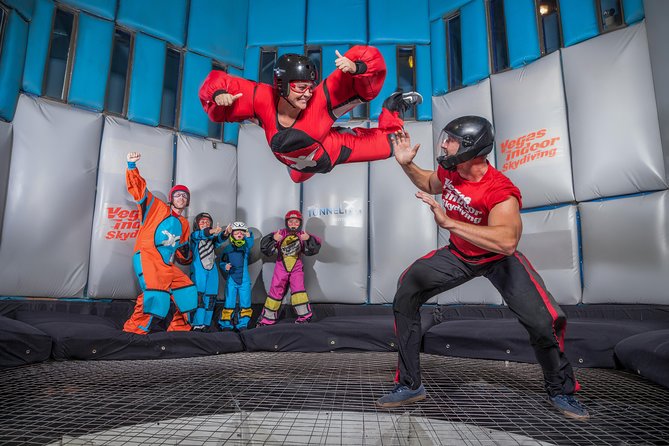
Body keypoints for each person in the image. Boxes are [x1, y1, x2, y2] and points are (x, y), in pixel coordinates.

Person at [375, 117, 589, 421]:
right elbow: (428, 182)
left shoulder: (500, 191)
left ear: (472, 149)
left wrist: (449, 223)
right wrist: (406, 164)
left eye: (450, 140)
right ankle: (410, 385)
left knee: (545, 321)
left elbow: (506, 242)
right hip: (460, 254)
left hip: (498, 259)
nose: (444, 144)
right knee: (407, 290)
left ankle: (561, 390)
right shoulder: (451, 169)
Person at [199, 47, 422, 183]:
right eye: (300, 87)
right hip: (298, 165)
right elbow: (220, 83)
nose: (307, 94)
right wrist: (218, 94)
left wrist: (359, 67)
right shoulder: (262, 98)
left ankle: (393, 107)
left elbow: (360, 81)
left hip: (329, 150)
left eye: (310, 87)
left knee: (392, 145)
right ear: (281, 86)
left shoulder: (319, 101)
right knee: (297, 176)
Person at [122, 152, 198, 334]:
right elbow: (139, 189)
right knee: (155, 293)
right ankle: (133, 332)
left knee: (187, 290)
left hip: (166, 265)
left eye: (185, 196)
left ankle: (179, 330)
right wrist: (131, 166)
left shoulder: (184, 223)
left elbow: (181, 254)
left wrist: (188, 253)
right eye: (178, 195)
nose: (182, 198)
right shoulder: (155, 206)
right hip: (148, 257)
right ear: (171, 198)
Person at [257, 210, 321, 325]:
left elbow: (314, 247)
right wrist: (273, 239)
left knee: (299, 292)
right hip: (281, 267)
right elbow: (265, 248)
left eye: (296, 222)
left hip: (297, 268)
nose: (293, 224)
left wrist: (308, 239)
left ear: (300, 223)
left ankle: (305, 317)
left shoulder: (302, 235)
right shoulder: (280, 233)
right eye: (290, 221)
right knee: (275, 291)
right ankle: (267, 320)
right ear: (286, 222)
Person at [187, 212, 226, 331]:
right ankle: (197, 323)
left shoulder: (211, 239)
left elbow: (219, 240)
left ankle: (206, 324)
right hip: (199, 271)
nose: (205, 224)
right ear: (197, 224)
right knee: (199, 297)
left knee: (211, 297)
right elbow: (202, 234)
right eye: (202, 222)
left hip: (211, 270)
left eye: (207, 222)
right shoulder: (195, 236)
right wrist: (212, 231)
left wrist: (226, 233)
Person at [218, 221, 254, 331]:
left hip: (244, 280)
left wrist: (249, 235)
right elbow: (221, 262)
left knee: (245, 303)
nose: (239, 235)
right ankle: (226, 324)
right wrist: (225, 266)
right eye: (236, 233)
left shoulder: (246, 247)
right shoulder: (227, 249)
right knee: (229, 303)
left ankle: (243, 324)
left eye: (242, 233)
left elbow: (250, 243)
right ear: (232, 234)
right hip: (232, 280)